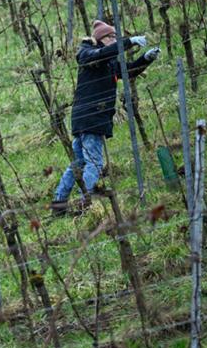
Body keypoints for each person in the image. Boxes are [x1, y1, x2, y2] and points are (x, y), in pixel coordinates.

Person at [51, 20, 160, 216]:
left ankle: (59, 204)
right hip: (91, 117)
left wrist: (145, 58)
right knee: (95, 162)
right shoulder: (87, 53)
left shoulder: (108, 62)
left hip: (89, 118)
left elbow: (127, 71)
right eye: (113, 37)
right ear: (102, 39)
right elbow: (101, 55)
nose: (115, 40)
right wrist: (129, 42)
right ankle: (87, 203)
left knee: (78, 163)